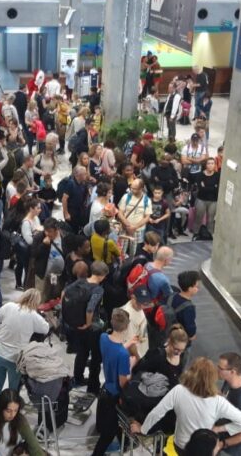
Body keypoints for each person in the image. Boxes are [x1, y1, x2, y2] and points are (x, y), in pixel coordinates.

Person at [132, 358, 241, 454]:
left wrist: (142, 429)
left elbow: (157, 413)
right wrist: (221, 429)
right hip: (204, 451)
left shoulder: (179, 390)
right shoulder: (218, 401)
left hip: (180, 446)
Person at [0, 289, 49, 401]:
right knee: (13, 386)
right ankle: (11, 408)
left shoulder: (9, 306)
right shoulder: (33, 316)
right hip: (15, 359)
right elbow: (46, 329)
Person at [92, 308, 135, 456]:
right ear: (127, 326)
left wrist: (128, 344)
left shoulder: (103, 337)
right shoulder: (123, 355)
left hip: (106, 388)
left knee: (114, 422)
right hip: (115, 395)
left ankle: (127, 442)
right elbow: (123, 382)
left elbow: (114, 350)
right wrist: (132, 367)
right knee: (108, 433)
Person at [62, 261, 109, 395]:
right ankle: (93, 388)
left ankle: (78, 378)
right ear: (102, 275)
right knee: (95, 357)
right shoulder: (98, 289)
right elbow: (90, 308)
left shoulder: (80, 282)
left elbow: (64, 293)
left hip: (76, 325)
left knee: (81, 353)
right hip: (92, 328)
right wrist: (88, 323)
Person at [0, 389, 44, 456]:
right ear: (1, 408)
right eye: (8, 411)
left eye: (15, 410)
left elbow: (33, 445)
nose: (12, 415)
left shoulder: (20, 421)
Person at [217, 353, 241, 456]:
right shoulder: (228, 382)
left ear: (232, 372)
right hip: (222, 435)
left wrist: (222, 444)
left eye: (220, 368)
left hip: (232, 449)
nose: (217, 370)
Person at [155, 270, 200, 343]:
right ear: (189, 288)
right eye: (197, 286)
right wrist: (192, 336)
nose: (198, 288)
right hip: (177, 337)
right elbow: (190, 327)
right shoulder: (189, 308)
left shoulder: (172, 295)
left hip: (163, 330)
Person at [117, 178, 152, 255]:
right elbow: (120, 213)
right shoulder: (126, 197)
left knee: (135, 252)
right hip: (124, 228)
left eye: (135, 189)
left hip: (138, 230)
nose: (132, 190)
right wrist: (128, 226)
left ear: (141, 189)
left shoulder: (147, 200)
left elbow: (147, 217)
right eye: (131, 188)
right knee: (120, 251)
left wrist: (134, 227)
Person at [61, 166, 92, 234]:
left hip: (80, 210)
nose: (86, 175)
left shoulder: (83, 183)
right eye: (84, 174)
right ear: (78, 175)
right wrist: (66, 213)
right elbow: (64, 199)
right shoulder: (71, 184)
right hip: (71, 211)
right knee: (71, 230)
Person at [194, 158, 220, 234]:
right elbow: (201, 189)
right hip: (201, 199)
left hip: (213, 200)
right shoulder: (200, 175)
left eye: (212, 163)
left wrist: (206, 187)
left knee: (210, 220)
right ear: (206, 165)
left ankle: (209, 235)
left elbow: (217, 189)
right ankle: (196, 233)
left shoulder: (217, 175)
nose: (211, 165)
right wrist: (213, 187)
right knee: (198, 218)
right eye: (209, 163)